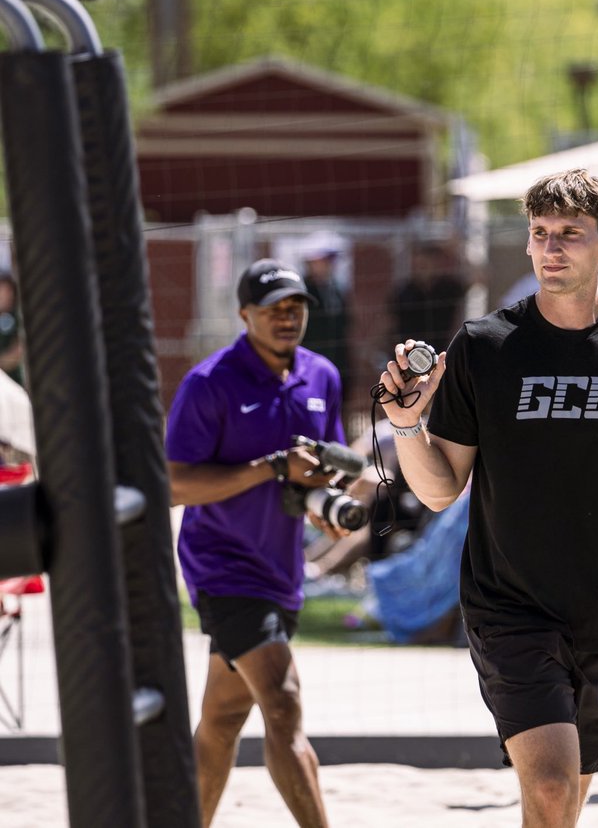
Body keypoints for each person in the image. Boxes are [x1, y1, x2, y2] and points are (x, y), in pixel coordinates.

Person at [378, 168, 598, 827]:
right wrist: (408, 425)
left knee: (560, 803)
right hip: (509, 607)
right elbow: (441, 490)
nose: (551, 248)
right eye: (539, 233)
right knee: (554, 787)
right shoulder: (485, 346)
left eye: (569, 234)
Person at [166, 259, 349, 828]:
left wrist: (326, 502)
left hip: (280, 570)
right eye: (273, 309)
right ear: (244, 314)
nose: (287, 317)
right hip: (222, 567)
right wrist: (272, 467)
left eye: (296, 307)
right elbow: (174, 485)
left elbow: (326, 468)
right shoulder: (209, 382)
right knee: (283, 701)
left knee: (222, 720)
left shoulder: (322, 375)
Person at [301, 243, 351, 391]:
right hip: (310, 363)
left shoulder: (336, 289)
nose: (329, 265)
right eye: (325, 260)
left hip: (337, 361)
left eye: (331, 260)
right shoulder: (302, 291)